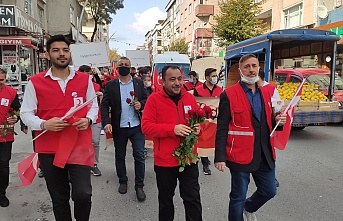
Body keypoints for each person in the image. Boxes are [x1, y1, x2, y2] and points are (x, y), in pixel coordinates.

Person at [20, 35, 98, 221]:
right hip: (49, 148)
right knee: (59, 198)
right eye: (56, 50)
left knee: (83, 194)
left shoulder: (84, 79)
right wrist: (44, 124)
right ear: (47, 54)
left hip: (79, 145)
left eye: (65, 50)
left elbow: (93, 104)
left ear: (70, 53)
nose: (61, 54)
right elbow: (25, 114)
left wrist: (88, 119)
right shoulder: (35, 82)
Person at [214, 54, 286, 221]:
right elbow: (222, 127)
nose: (251, 70)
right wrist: (220, 157)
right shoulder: (229, 94)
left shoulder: (267, 93)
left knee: (269, 190)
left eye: (254, 66)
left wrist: (278, 121)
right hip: (240, 154)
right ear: (240, 70)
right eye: (247, 66)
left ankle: (250, 206)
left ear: (259, 69)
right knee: (237, 197)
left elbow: (272, 120)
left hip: (264, 153)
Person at [141, 65, 203, 221]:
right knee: (166, 202)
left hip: (189, 159)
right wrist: (172, 129)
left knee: (192, 199)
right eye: (172, 79)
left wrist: (198, 127)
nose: (177, 83)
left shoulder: (189, 98)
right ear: (163, 81)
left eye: (179, 79)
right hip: (165, 162)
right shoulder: (153, 99)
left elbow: (199, 122)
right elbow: (146, 127)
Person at [101, 56, 147, 202]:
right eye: (121, 64)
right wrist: (106, 122)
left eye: (126, 64)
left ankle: (139, 186)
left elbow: (148, 99)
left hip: (136, 126)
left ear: (131, 67)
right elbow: (104, 105)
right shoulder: (111, 85)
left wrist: (141, 104)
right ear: (117, 67)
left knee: (139, 155)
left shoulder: (139, 83)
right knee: (120, 156)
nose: (124, 66)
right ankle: (123, 181)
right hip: (119, 126)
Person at [194, 68, 223, 175]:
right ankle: (199, 163)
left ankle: (207, 163)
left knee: (210, 141)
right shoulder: (197, 90)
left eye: (216, 76)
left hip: (214, 121)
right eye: (213, 76)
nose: (216, 78)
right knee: (201, 140)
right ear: (207, 78)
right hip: (202, 120)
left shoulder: (220, 90)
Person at [0, 66, 21, 207]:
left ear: (5, 78)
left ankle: (1, 192)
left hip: (4, 135)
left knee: (3, 165)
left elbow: (17, 111)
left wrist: (15, 118)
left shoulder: (12, 93)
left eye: (1, 80)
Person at [79, 65, 103, 176]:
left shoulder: (97, 86)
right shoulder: (76, 86)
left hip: (95, 118)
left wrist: (101, 96)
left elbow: (102, 104)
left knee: (95, 142)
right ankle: (82, 163)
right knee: (80, 143)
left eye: (90, 73)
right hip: (80, 119)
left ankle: (94, 164)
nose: (89, 75)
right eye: (86, 73)